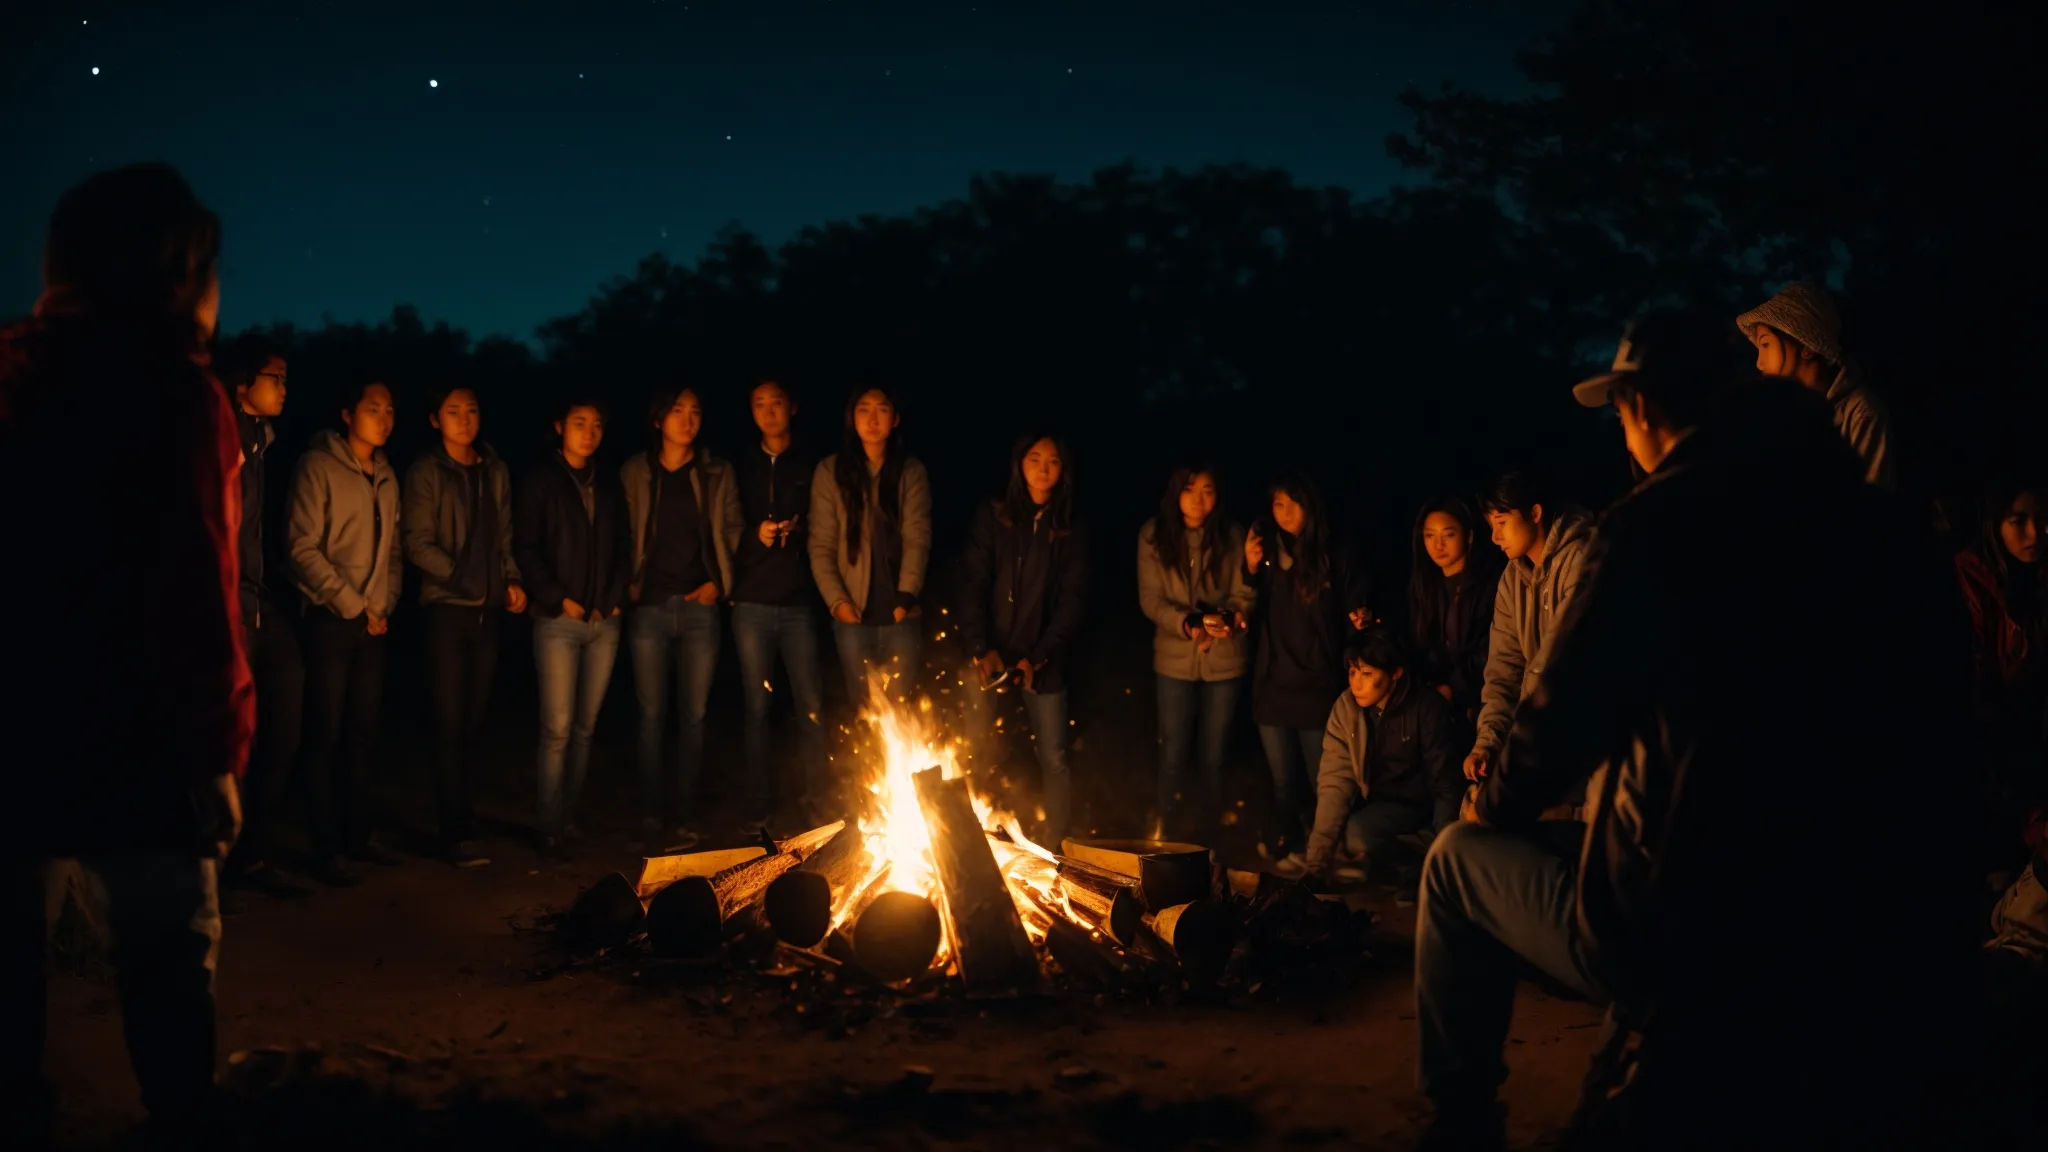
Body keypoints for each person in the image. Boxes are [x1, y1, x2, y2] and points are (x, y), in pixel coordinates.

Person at [1412, 309, 1977, 1151]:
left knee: (1458, 861)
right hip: (1857, 900)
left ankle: (1461, 1125)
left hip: (1690, 911)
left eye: (1621, 410)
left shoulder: (1650, 527)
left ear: (1640, 408)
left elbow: (1554, 730)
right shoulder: (1882, 526)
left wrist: (1490, 804)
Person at [2, 163, 253, 1146]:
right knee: (163, 957)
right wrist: (213, 755)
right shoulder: (171, 395)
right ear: (177, 272)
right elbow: (191, 586)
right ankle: (180, 1123)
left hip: (16, 719)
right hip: (134, 732)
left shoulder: (12, 371)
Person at [288, 378, 405, 886]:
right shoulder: (318, 466)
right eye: (373, 408)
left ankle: (359, 834)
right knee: (324, 732)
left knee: (362, 732)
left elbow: (393, 554)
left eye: (390, 409)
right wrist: (352, 603)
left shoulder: (387, 474)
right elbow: (301, 547)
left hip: (371, 622)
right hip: (330, 620)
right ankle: (325, 844)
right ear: (347, 413)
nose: (383, 418)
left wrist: (382, 603)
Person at [401, 383, 524, 867]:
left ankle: (464, 811)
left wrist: (510, 579)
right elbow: (416, 540)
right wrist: (462, 577)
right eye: (453, 411)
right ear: (436, 419)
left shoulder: (494, 468)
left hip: (487, 611)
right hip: (448, 609)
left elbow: (506, 535)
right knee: (448, 720)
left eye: (471, 409)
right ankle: (452, 828)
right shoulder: (427, 471)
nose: (464, 419)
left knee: (472, 720)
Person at [622, 384, 741, 853]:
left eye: (695, 411)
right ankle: (652, 810)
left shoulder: (716, 471)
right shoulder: (635, 471)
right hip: (650, 606)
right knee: (651, 714)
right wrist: (628, 584)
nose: (687, 420)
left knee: (693, 715)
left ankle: (686, 814)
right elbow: (623, 530)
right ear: (658, 419)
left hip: (699, 607)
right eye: (677, 411)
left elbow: (730, 530)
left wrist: (719, 583)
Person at [958, 432, 1090, 848]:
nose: (1043, 468)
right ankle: (976, 839)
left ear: (1063, 470)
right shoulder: (995, 515)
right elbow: (974, 583)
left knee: (1053, 756)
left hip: (1043, 660)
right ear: (1020, 464)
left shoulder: (1070, 528)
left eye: (1053, 460)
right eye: (1034, 458)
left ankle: (1057, 845)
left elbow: (1071, 601)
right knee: (979, 747)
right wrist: (980, 648)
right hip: (992, 655)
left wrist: (1040, 657)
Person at [216, 340, 313, 902]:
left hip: (261, 604)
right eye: (274, 377)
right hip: (230, 607)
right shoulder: (222, 441)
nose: (282, 388)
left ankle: (254, 854)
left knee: (285, 727)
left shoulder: (262, 442)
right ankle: (220, 866)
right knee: (231, 741)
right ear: (242, 386)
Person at [515, 397, 631, 858]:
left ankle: (569, 817)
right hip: (559, 620)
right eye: (580, 423)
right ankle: (547, 825)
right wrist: (556, 597)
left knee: (585, 727)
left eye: (597, 424)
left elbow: (623, 544)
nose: (589, 432)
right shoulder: (542, 481)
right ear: (560, 426)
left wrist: (614, 597)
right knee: (557, 729)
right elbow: (526, 546)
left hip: (604, 621)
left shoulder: (608, 481)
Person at [1242, 472, 1372, 875]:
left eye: (1293, 504)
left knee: (1325, 782)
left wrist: (1361, 618)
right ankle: (1289, 845)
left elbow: (1355, 609)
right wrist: (1248, 568)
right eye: (1278, 504)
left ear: (1310, 505)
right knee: (1284, 782)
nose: (1284, 513)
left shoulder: (1336, 552)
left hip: (1318, 685)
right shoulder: (1265, 552)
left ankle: (1327, 851)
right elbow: (1248, 606)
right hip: (1273, 684)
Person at [729, 379, 829, 831]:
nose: (769, 411)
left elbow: (825, 522)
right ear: (751, 411)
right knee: (756, 706)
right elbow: (727, 524)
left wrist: (799, 528)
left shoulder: (812, 462)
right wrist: (757, 534)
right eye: (759, 404)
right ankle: (757, 802)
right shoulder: (739, 463)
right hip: (750, 599)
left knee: (810, 704)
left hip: (797, 601)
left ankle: (818, 799)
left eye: (776, 402)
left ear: (793, 407)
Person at [1138, 461, 1255, 840]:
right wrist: (1188, 623)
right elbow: (1151, 599)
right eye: (1190, 489)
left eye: (1207, 490)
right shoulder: (1154, 535)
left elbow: (1244, 592)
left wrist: (1234, 617)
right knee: (1172, 753)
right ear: (1176, 492)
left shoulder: (1232, 535)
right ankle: (1166, 838)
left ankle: (1209, 842)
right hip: (1173, 661)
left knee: (1214, 755)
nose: (1198, 500)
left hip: (1224, 660)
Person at [1462, 472, 1595, 790]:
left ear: (1535, 513)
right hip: (1536, 741)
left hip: (1582, 740)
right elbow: (1503, 671)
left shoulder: (1583, 560)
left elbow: (1557, 668)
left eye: (1501, 522)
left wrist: (1517, 759)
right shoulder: (1512, 578)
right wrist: (1488, 744)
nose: (1494, 536)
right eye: (1490, 525)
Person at [1302, 629, 1459, 890]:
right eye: (1353, 673)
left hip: (1424, 804)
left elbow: (1446, 783)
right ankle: (1408, 870)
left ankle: (1428, 873)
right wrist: (1315, 864)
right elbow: (1335, 782)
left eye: (1367, 674)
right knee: (1349, 830)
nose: (1356, 684)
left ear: (1395, 673)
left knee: (1364, 833)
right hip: (1382, 804)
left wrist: (1447, 857)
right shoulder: (1347, 709)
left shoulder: (1427, 708)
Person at [809, 383, 932, 708]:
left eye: (882, 409)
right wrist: (837, 602)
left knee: (902, 712)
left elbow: (917, 536)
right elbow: (821, 545)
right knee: (864, 714)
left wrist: (906, 596)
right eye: (864, 409)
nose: (872, 419)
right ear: (852, 418)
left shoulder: (910, 471)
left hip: (900, 616)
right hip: (853, 615)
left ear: (895, 419)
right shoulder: (830, 471)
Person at [1956, 474, 2046, 873]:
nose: (2035, 534)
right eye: (2018, 521)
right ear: (1995, 523)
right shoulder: (1971, 577)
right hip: (1993, 730)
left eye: (2042, 520)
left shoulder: (2040, 575)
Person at [1737, 280, 1895, 489]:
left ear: (1807, 346)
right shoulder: (1787, 413)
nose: (1759, 362)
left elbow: (1872, 503)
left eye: (1766, 344)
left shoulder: (1861, 413)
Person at [1407, 495, 1500, 756]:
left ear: (1469, 536)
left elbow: (1491, 646)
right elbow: (1419, 644)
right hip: (1434, 703)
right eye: (1429, 536)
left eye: (1448, 534)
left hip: (1480, 702)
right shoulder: (1423, 587)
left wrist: (1455, 688)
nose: (1438, 545)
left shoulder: (1488, 585)